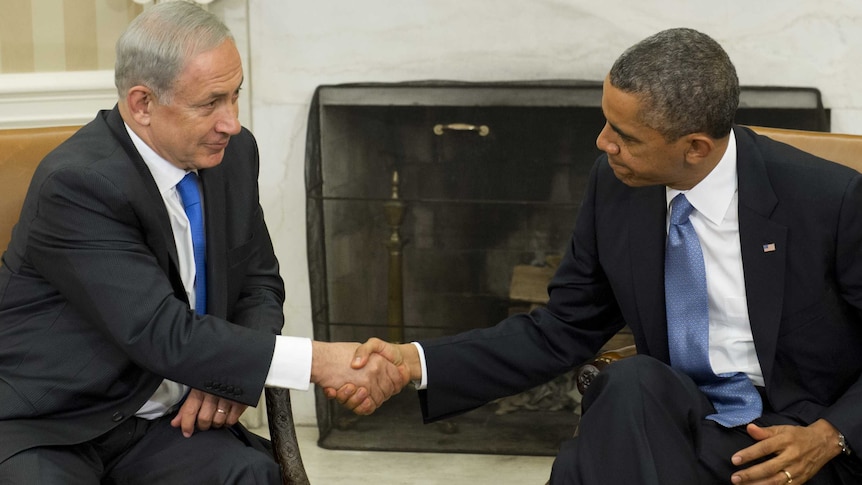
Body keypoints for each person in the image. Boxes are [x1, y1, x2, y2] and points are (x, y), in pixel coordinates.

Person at [331, 28, 862, 484]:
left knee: (590, 465)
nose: (602, 143)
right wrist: (413, 364)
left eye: (625, 136)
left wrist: (832, 435)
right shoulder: (617, 187)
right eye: (606, 121)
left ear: (695, 147)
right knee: (628, 384)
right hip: (675, 417)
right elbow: (561, 328)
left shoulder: (829, 200)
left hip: (797, 434)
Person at [0, 3, 404, 483]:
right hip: (53, 422)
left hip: (164, 422)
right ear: (142, 104)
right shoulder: (78, 184)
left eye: (235, 96)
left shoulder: (232, 155)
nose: (230, 122)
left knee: (251, 475)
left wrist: (228, 376)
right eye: (210, 103)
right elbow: (159, 330)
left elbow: (258, 282)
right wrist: (318, 361)